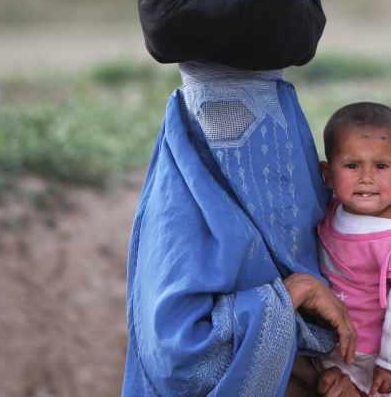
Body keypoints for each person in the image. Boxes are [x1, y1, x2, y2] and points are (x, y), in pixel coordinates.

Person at [121, 62, 365, 396]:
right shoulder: (174, 226)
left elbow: (367, 339)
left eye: (267, 132)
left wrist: (351, 378)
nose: (255, 158)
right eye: (221, 119)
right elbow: (179, 362)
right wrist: (294, 294)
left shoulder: (321, 222)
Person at [317, 102, 391, 396]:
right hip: (334, 345)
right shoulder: (331, 212)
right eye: (352, 165)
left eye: (381, 166)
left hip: (377, 357)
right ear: (328, 174)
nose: (366, 178)